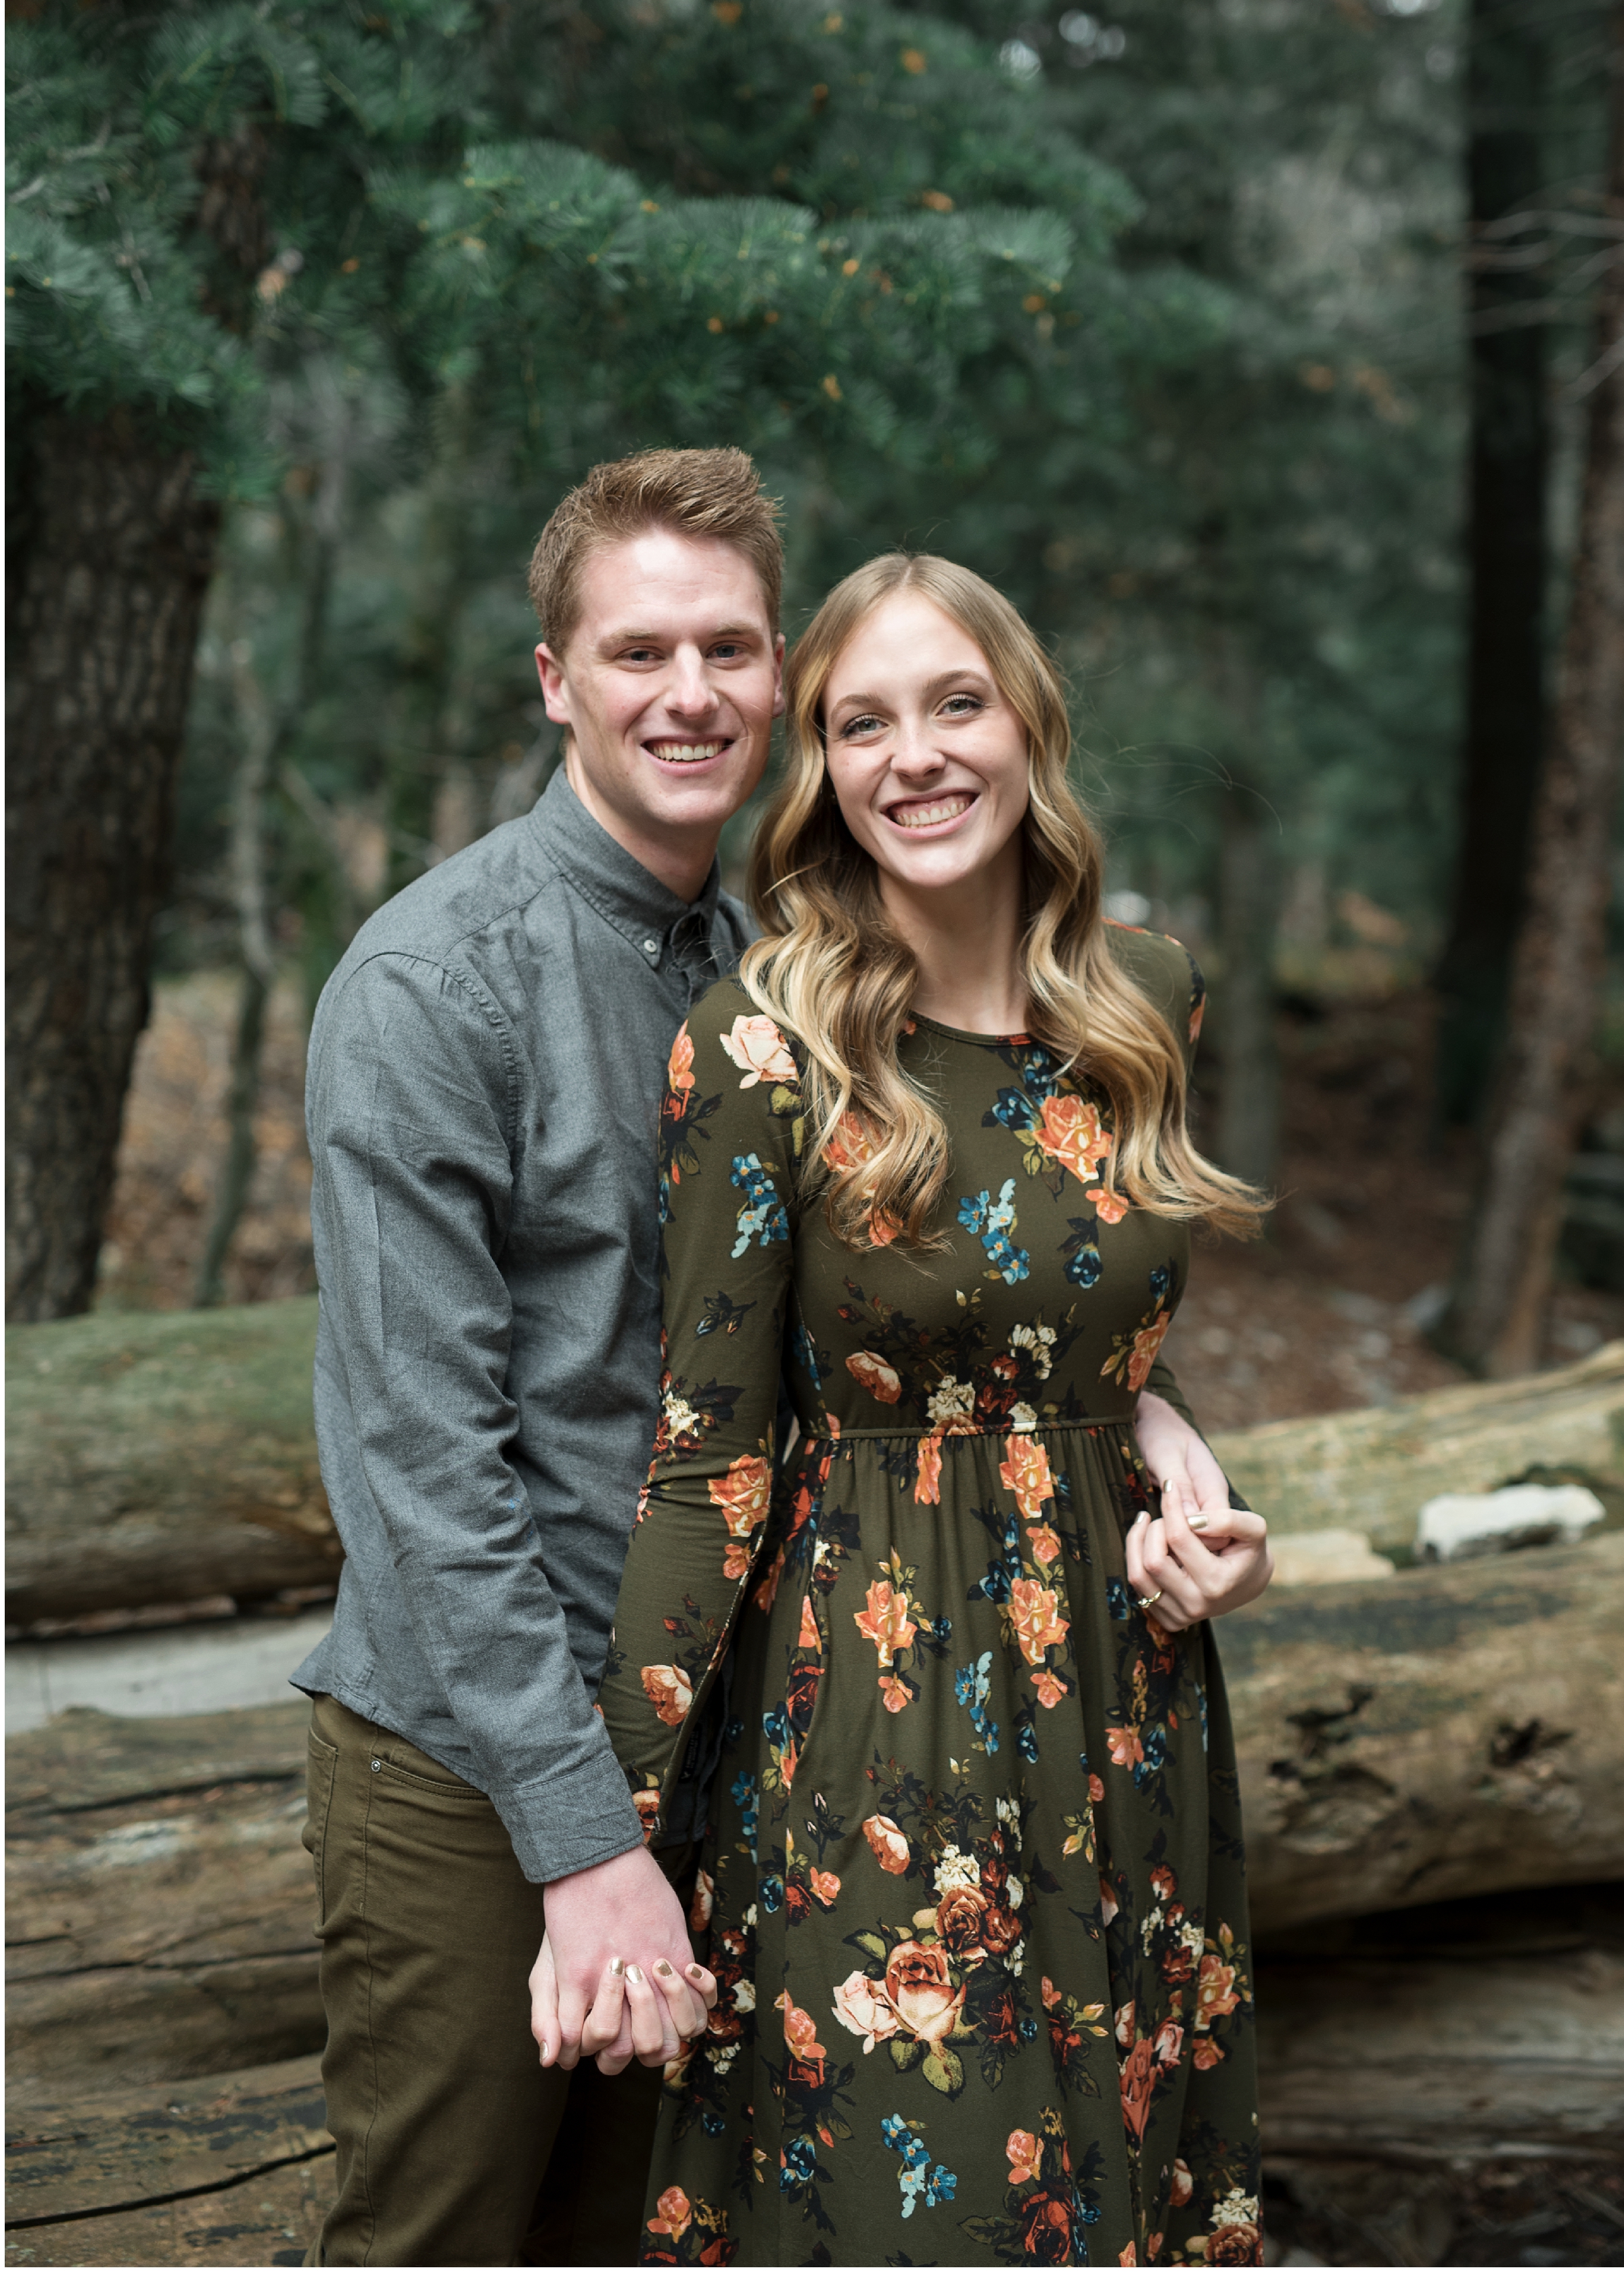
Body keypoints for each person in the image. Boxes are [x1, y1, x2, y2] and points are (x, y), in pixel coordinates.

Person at [560, 552, 1274, 2267]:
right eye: (860, 722)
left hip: (1127, 1707)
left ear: (1028, 724)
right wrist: (598, 1845)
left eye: (954, 703)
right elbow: (707, 1461)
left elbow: (1081, 1335)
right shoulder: (764, 1047)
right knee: (925, 2199)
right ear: (821, 770)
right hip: (874, 1721)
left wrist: (1191, 1490)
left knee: (1117, 2184)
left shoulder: (1147, 998)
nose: (916, 755)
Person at [293, 446, 789, 2266]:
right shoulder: (433, 984)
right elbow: (420, 1462)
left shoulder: (766, 958)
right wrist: (583, 1846)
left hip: (711, 1744)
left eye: (726, 649)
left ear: (776, 672)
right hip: (470, 1770)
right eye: (640, 651)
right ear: (554, 679)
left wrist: (1149, 1415)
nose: (689, 693)